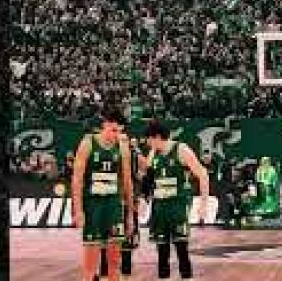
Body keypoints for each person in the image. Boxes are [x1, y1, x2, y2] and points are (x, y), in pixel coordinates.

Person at [72, 107, 136, 281]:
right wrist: (78, 210)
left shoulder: (122, 147)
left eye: (119, 131)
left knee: (114, 263)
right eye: (113, 130)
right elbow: (77, 180)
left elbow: (127, 182)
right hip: (93, 206)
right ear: (104, 125)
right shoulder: (88, 143)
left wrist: (130, 214)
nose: (116, 135)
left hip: (113, 206)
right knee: (90, 266)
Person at [144, 119, 210, 279]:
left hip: (177, 204)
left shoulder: (181, 149)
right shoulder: (153, 154)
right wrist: (144, 199)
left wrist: (203, 204)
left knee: (181, 247)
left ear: (157, 137)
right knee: (162, 251)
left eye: (149, 139)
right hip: (159, 206)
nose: (147, 143)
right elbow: (148, 181)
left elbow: (203, 174)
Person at [97, 132, 146, 281]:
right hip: (109, 204)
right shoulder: (103, 155)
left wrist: (141, 196)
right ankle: (105, 276)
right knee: (106, 244)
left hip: (126, 204)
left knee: (126, 245)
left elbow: (145, 169)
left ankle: (124, 277)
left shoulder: (133, 155)